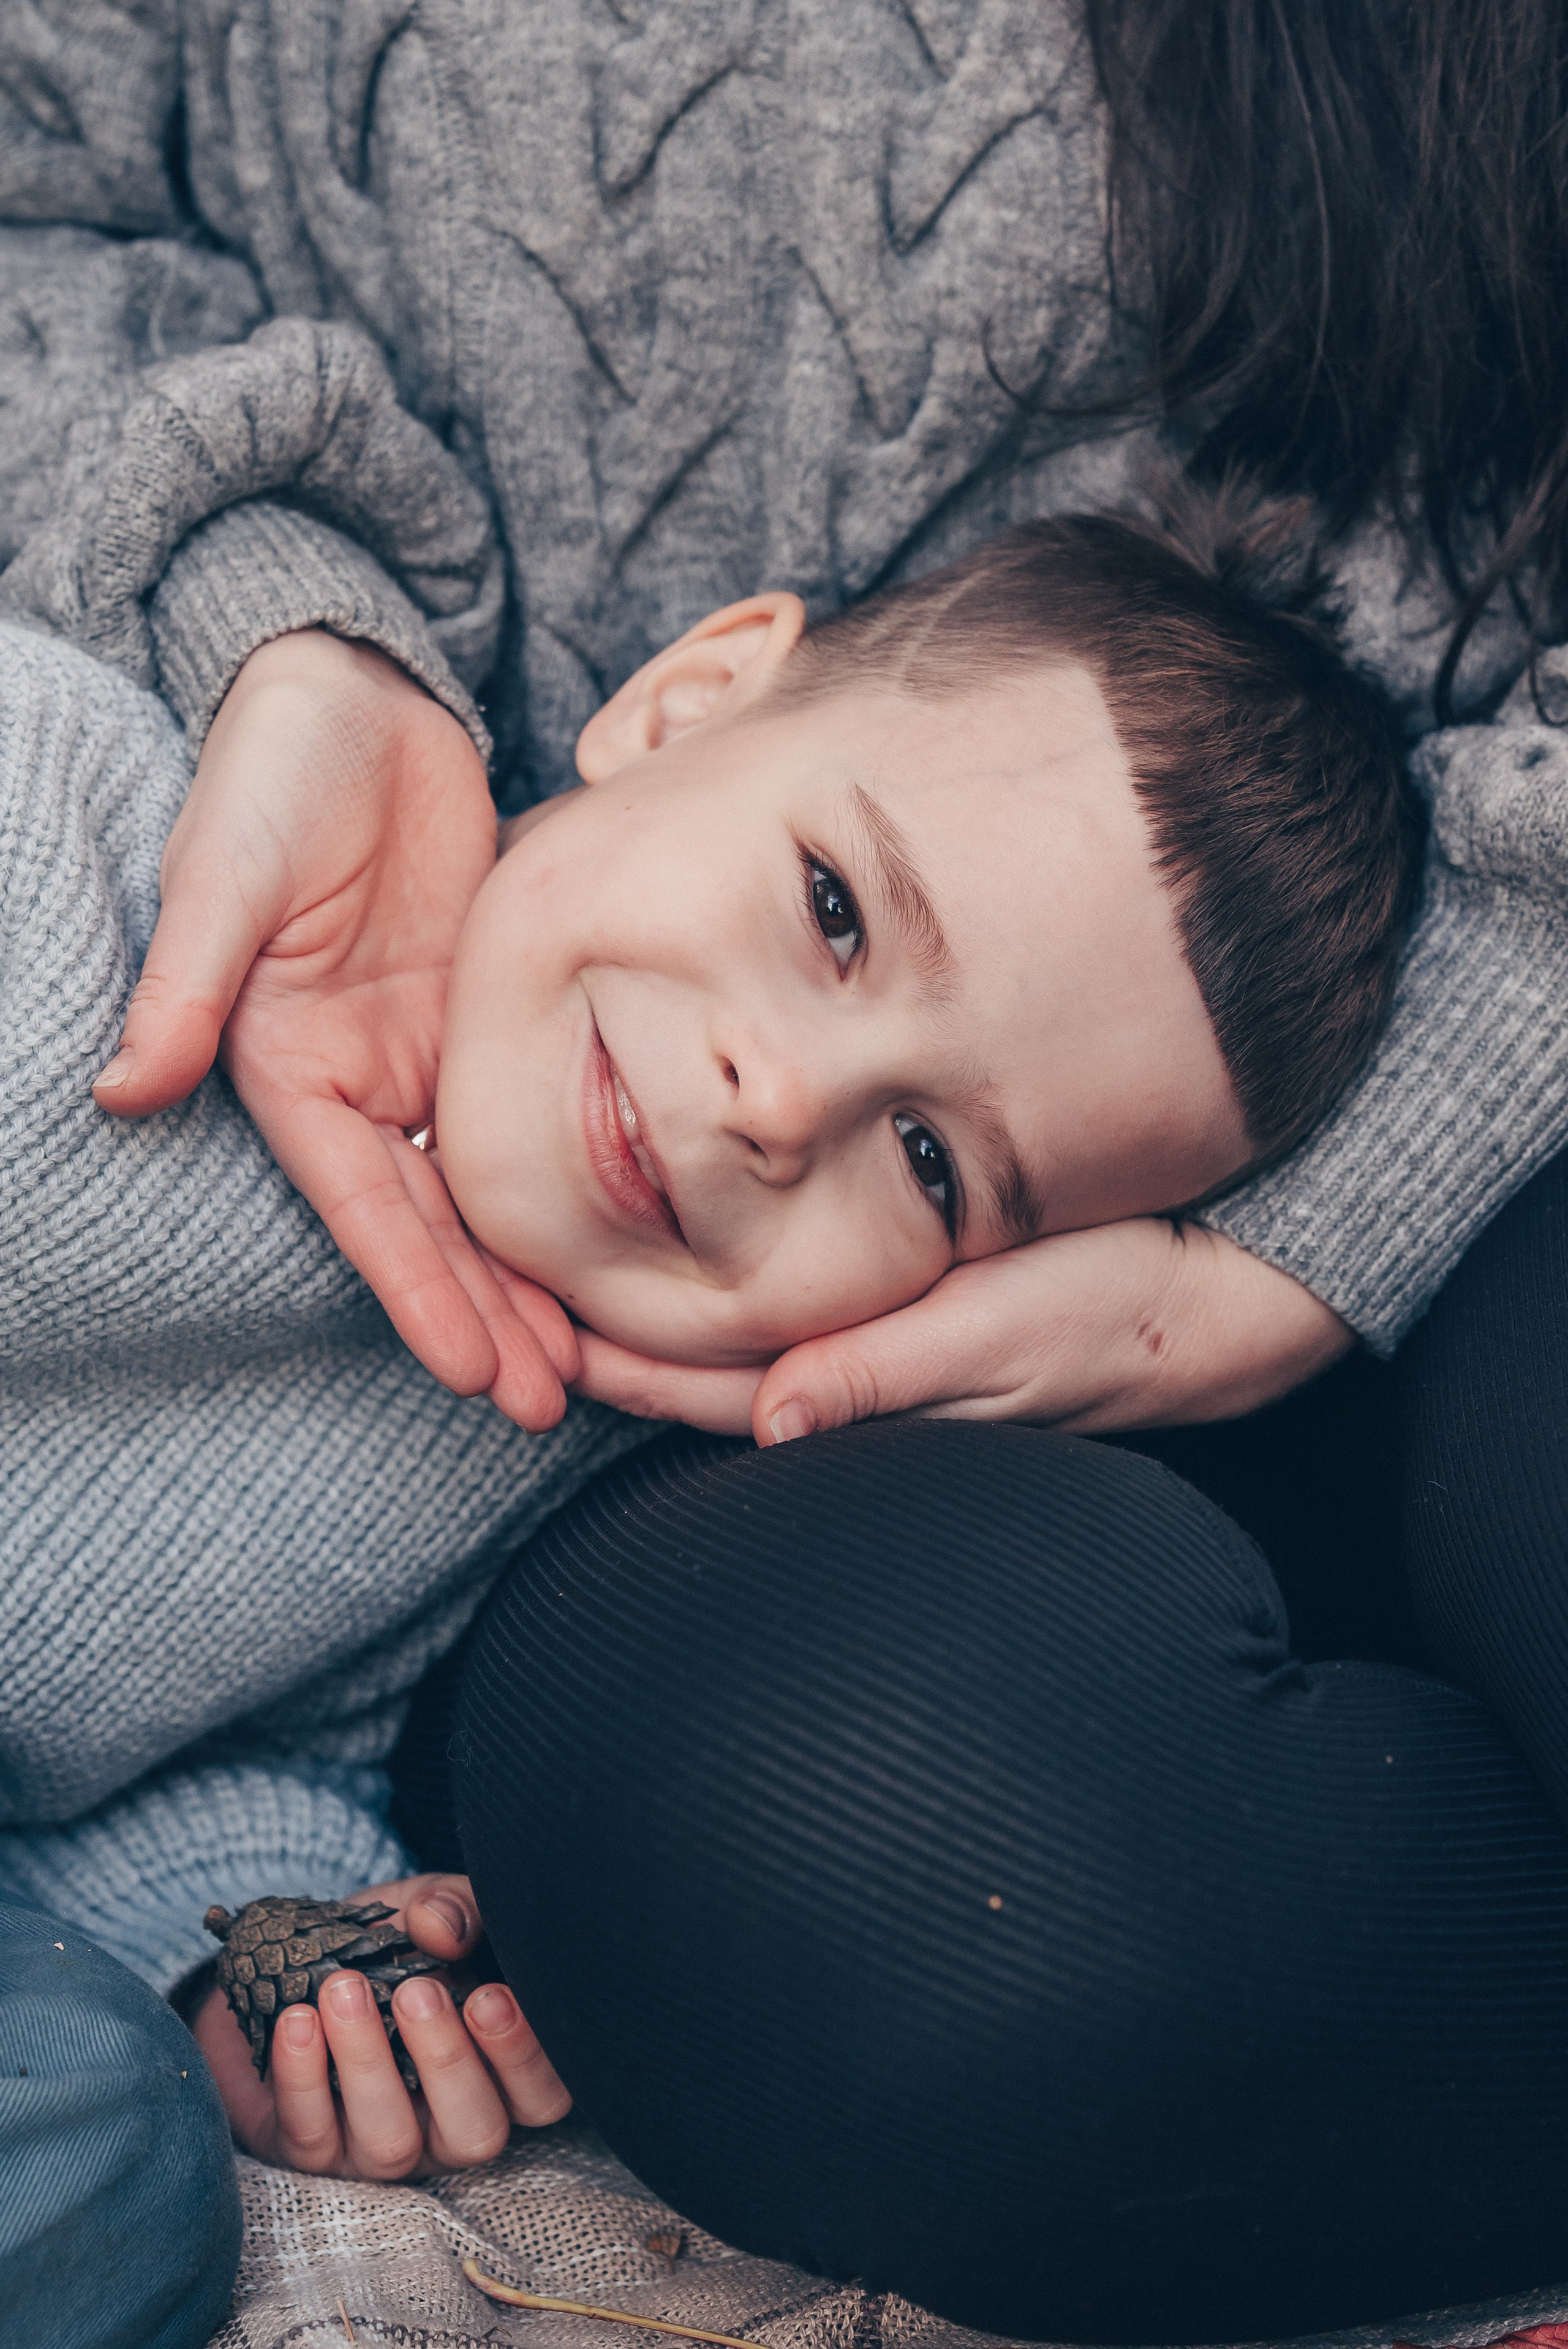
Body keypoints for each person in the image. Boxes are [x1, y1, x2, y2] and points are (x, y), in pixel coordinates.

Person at [4, 1, 1568, 2342]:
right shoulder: (82, 845)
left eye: (928, 1165)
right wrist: (278, 629)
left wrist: (275, 1943)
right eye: (833, 914)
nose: (776, 1106)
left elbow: (233, 1745)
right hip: (292, 702)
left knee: (112, 2172)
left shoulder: (525, 1454)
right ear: (686, 701)